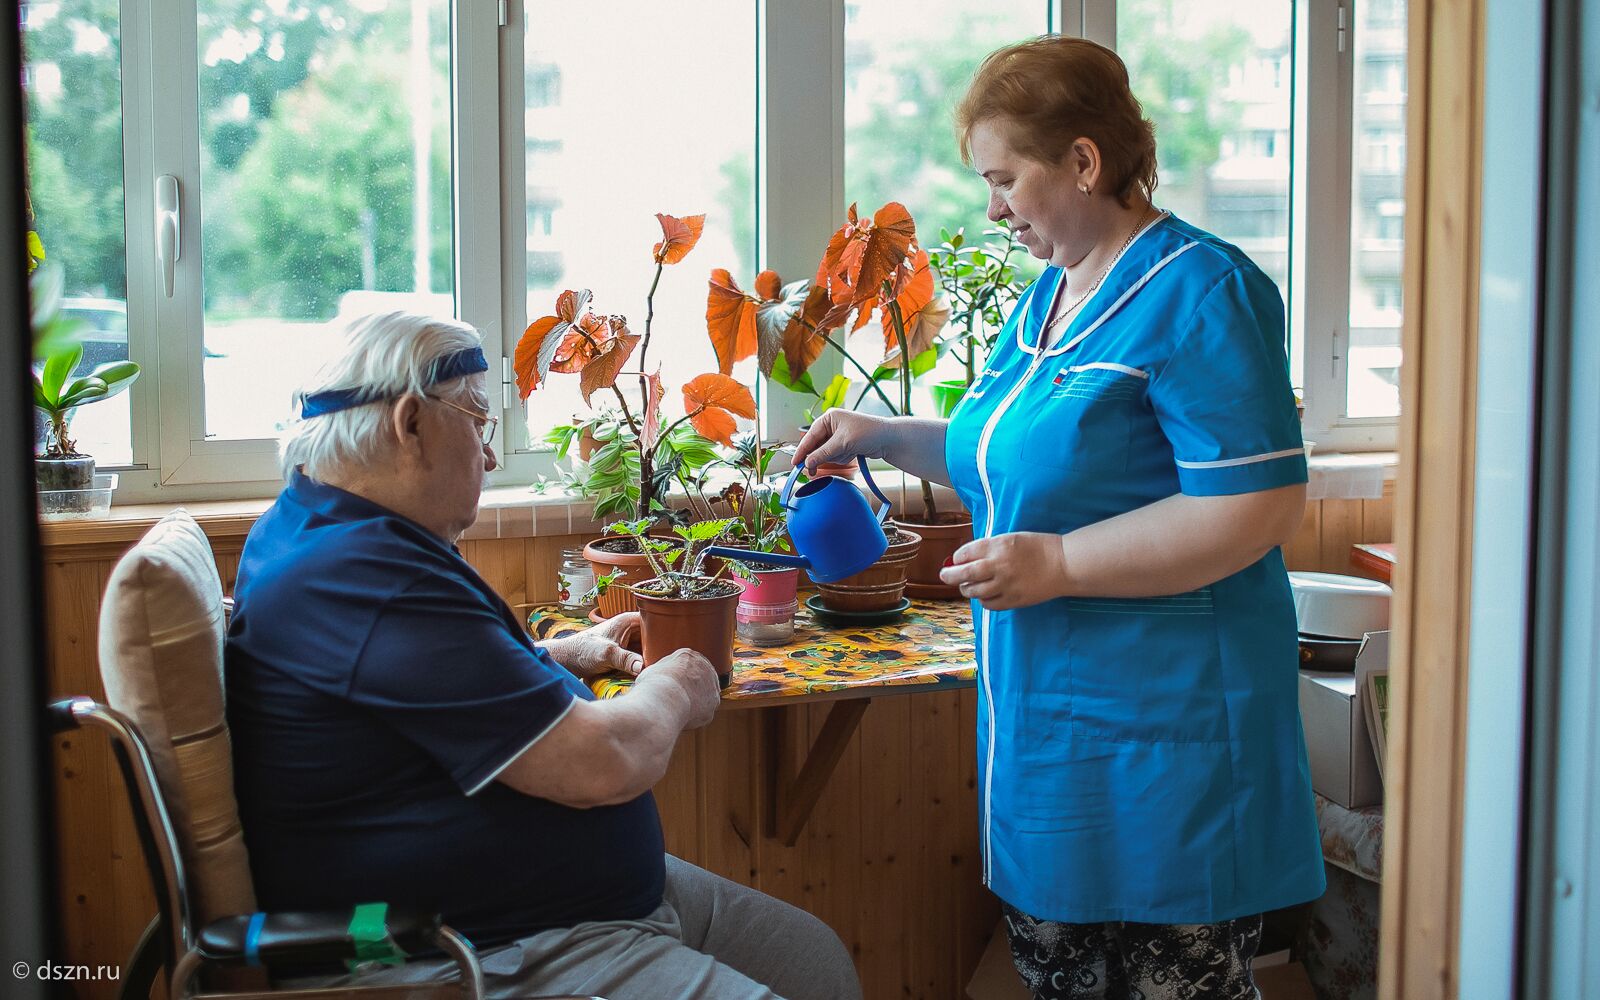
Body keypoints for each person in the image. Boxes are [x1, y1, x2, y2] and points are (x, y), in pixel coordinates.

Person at [794, 36, 1323, 1000]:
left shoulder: (1204, 291)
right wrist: (877, 433)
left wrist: (1064, 563)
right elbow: (1012, 455)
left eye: (1005, 180)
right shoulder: (1050, 295)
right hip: (1050, 733)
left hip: (1173, 733)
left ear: (1084, 162)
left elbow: (1258, 506)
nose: (992, 209)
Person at [225, 312, 860, 1000]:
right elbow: (603, 763)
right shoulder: (364, 576)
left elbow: (414, 695)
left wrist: (555, 654)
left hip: (552, 912)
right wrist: (680, 681)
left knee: (810, 959)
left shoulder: (313, 530)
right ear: (409, 423)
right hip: (487, 946)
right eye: (476, 422)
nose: (491, 456)